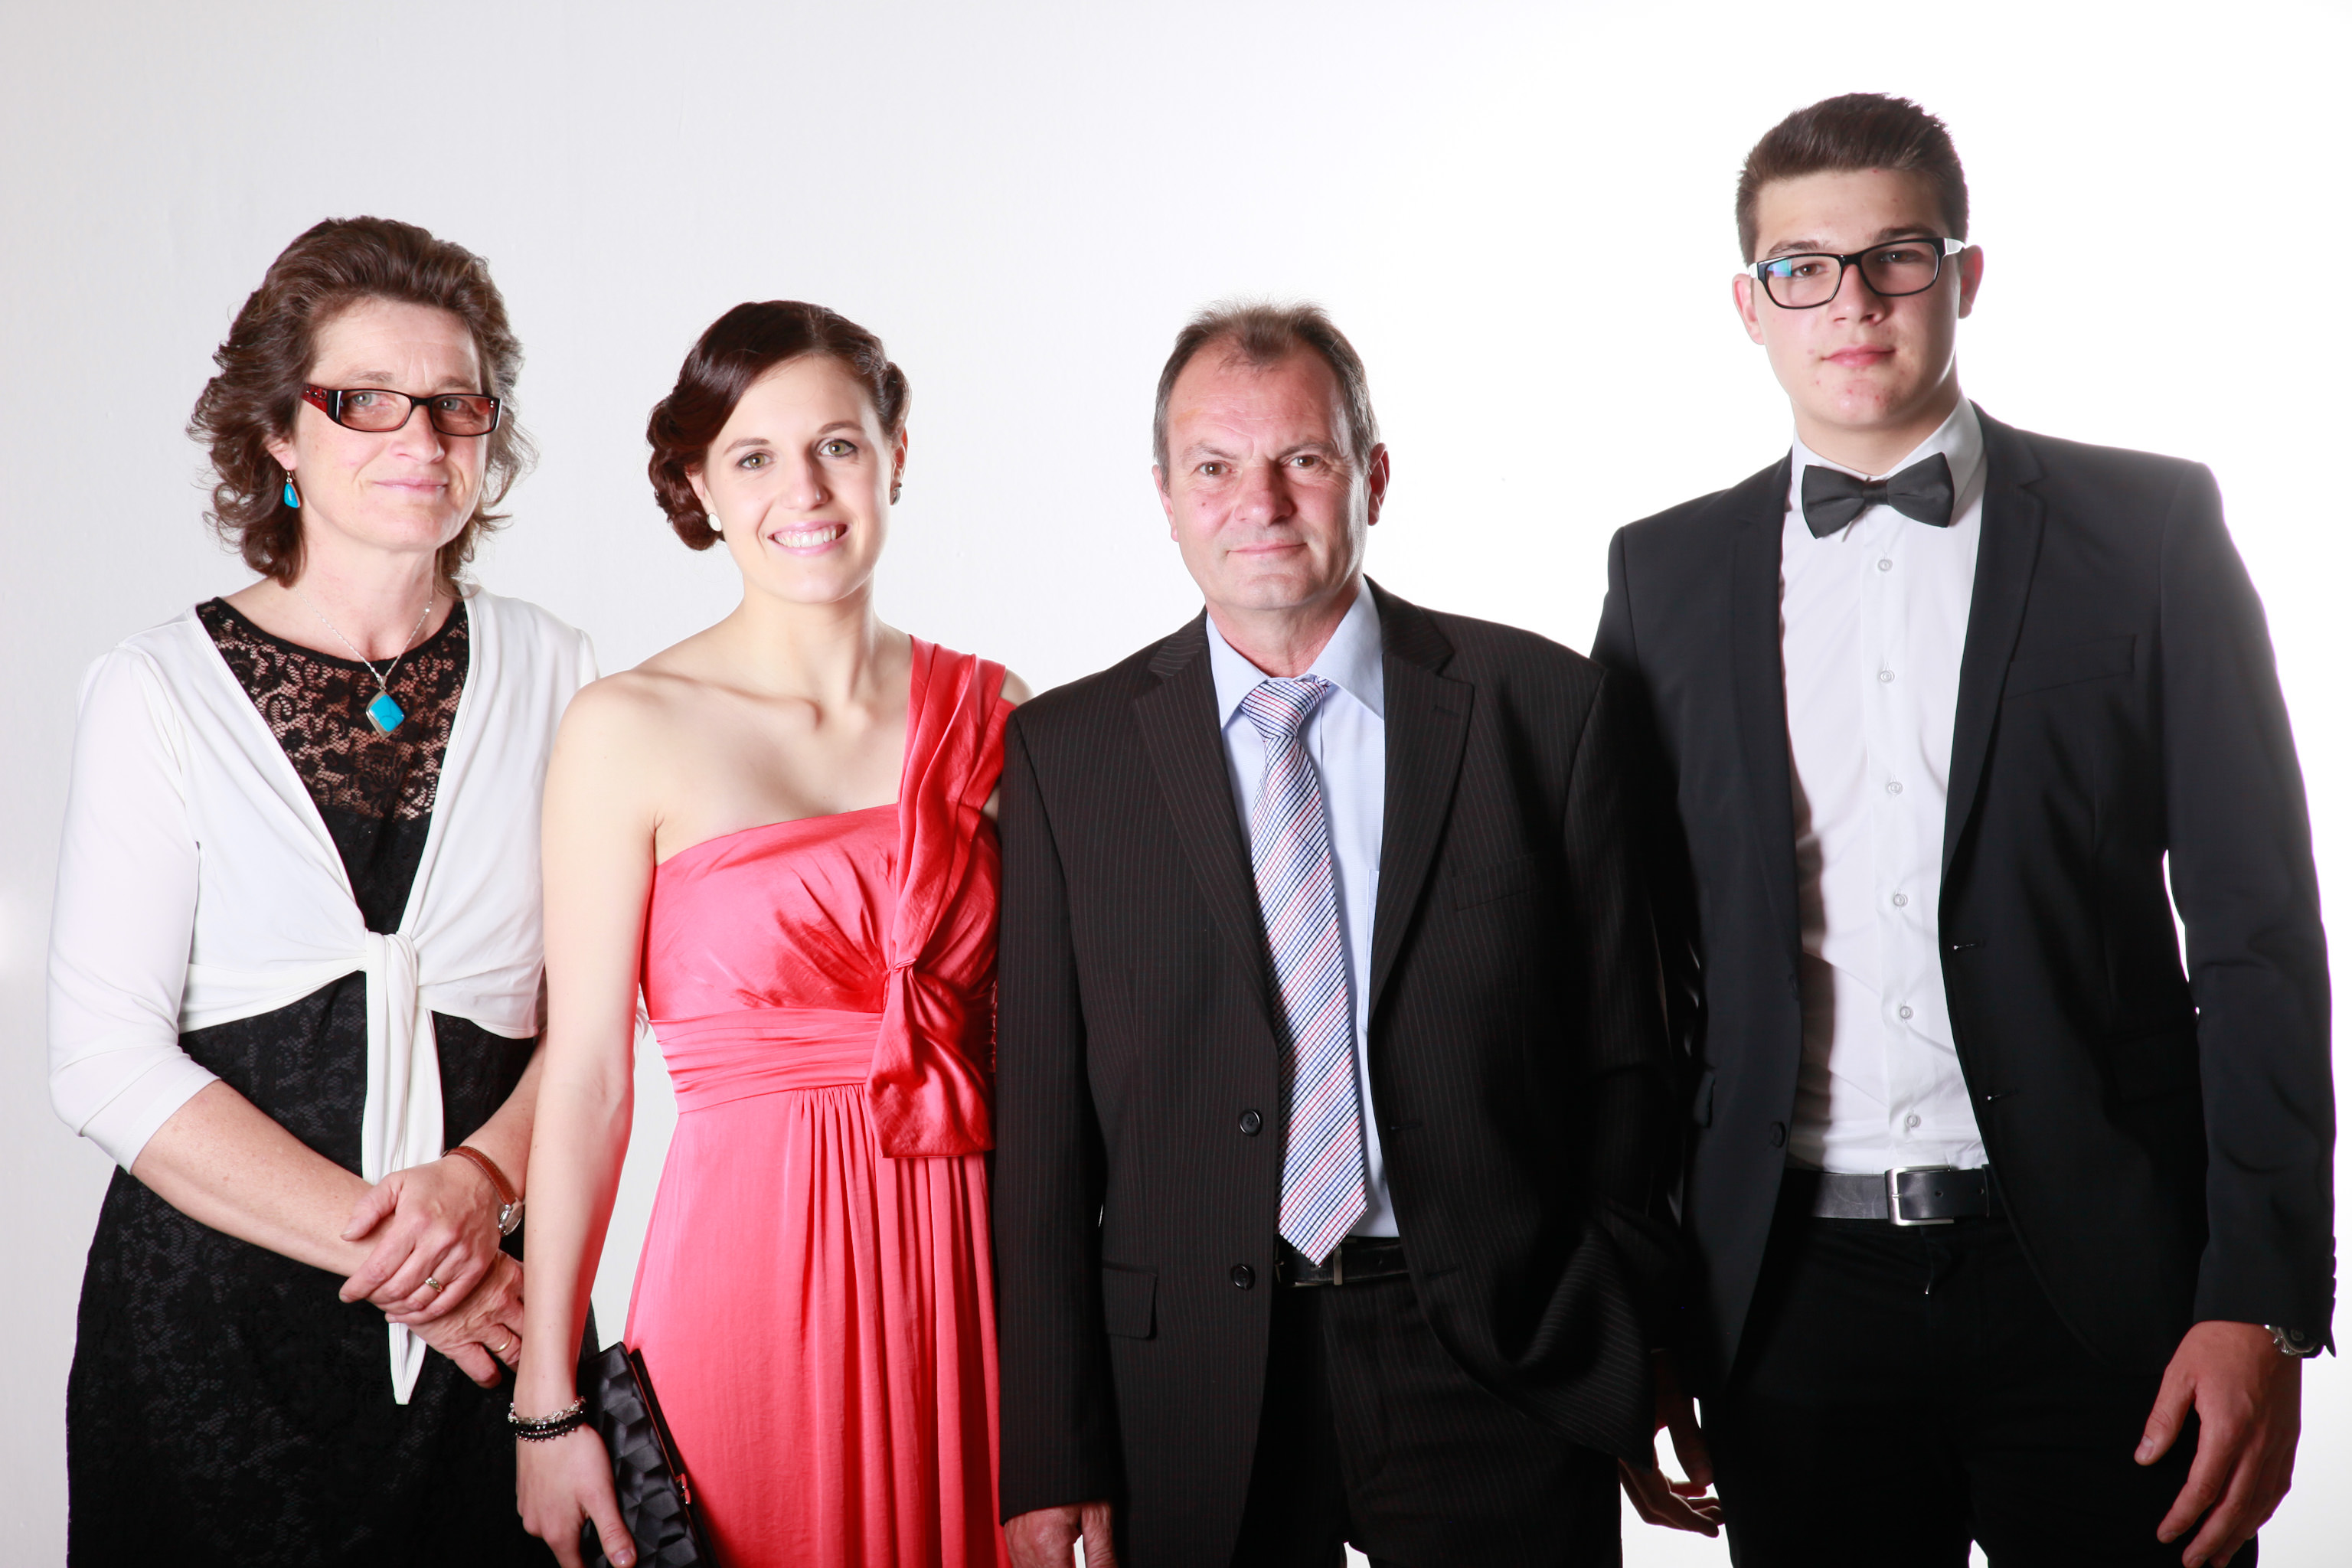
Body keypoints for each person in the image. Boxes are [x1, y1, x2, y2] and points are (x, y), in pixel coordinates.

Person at [1592, 93, 2334, 1568]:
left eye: (1898, 256)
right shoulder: (1660, 574)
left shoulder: (2150, 530)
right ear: (1750, 306)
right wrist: (1646, 1310)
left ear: (1966, 276)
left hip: (2107, 1280)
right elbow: (1632, 976)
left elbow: (2258, 935)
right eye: (1803, 267)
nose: (1851, 300)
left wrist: (2259, 1297)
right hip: (1787, 1301)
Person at [993, 302, 1684, 1568]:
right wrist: (1052, 1445)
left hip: (1496, 1357)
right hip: (1188, 1380)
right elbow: (1040, 1132)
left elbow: (1631, 1060)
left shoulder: (1546, 710)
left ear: (1372, 476)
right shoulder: (1065, 756)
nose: (1258, 502)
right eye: (1214, 467)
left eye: (1301, 458)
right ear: (1165, 497)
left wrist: (1617, 1330)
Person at [47, 216, 594, 1563]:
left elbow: (609, 1014)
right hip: (215, 1341)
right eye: (366, 400)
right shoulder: (155, 690)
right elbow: (103, 1059)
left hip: (500, 1327)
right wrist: (418, 1273)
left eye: (457, 403)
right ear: (279, 433)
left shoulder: (566, 675)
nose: (423, 438)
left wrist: (481, 1185)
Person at [514, 301, 1025, 1568]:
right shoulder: (626, 727)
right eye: (753, 457)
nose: (804, 490)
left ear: (895, 454)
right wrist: (547, 1399)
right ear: (701, 486)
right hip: (748, 1281)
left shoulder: (1000, 713)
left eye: (837, 445)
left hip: (979, 1271)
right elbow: (588, 1079)